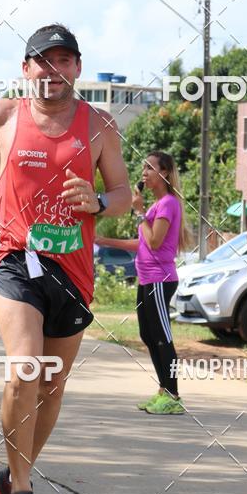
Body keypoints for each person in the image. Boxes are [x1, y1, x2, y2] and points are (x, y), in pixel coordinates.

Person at [0, 24, 131, 494]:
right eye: (42, 62)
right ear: (26, 68)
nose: (52, 72)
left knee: (52, 385)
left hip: (72, 267)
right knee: (25, 369)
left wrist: (96, 202)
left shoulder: (98, 125)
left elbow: (122, 195)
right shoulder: (4, 115)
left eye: (63, 61)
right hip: (15, 256)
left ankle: (12, 474)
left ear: (77, 67)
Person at [95, 150, 194, 415]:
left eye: (150, 168)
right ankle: (163, 390)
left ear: (164, 173)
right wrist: (104, 241)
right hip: (147, 279)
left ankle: (173, 396)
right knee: (148, 335)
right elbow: (142, 245)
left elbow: (154, 241)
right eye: (143, 168)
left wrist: (139, 212)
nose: (144, 173)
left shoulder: (168, 204)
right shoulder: (154, 206)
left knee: (162, 337)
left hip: (161, 280)